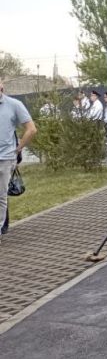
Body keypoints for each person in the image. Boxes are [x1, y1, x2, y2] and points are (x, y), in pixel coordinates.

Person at [0, 78, 36, 244]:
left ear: (2, 84)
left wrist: (18, 148)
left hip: (5, 158)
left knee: (1, 196)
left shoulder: (14, 105)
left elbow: (31, 129)